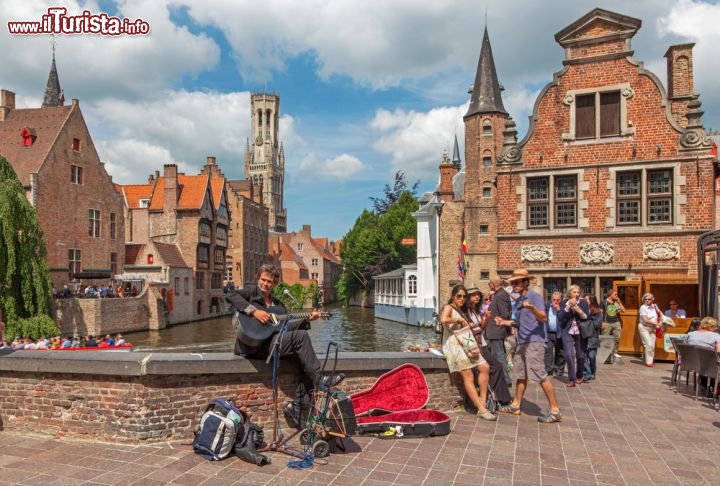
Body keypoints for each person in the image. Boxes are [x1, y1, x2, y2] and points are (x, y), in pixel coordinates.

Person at [225, 263, 344, 429]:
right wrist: (253, 311)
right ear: (258, 279)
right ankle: (319, 381)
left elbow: (286, 328)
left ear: (275, 283)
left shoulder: (279, 306)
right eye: (263, 280)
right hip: (254, 347)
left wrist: (307, 319)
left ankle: (297, 408)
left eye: (269, 282)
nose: (265, 284)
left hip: (273, 344)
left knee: (305, 362)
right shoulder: (250, 293)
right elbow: (230, 295)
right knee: (302, 337)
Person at [495, 268, 561, 423]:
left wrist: (532, 308)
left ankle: (555, 410)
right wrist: (503, 322)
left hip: (535, 342)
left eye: (517, 282)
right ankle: (516, 405)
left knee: (540, 375)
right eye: (513, 282)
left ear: (526, 282)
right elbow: (519, 322)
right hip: (522, 341)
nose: (515, 285)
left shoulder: (534, 297)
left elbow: (543, 317)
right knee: (520, 374)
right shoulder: (518, 300)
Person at [440, 284, 496, 421]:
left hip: (466, 341)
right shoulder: (449, 307)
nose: (462, 298)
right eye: (459, 296)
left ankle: (482, 400)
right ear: (453, 296)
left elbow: (476, 326)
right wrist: (458, 319)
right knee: (468, 374)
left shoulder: (462, 310)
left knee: (485, 367)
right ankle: (482, 410)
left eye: (464, 296)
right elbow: (444, 320)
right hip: (453, 343)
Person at [465, 285, 512, 409]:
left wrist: (485, 319)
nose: (477, 297)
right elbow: (468, 329)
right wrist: (479, 323)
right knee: (495, 366)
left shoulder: (476, 311)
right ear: (468, 297)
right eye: (473, 295)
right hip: (473, 345)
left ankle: (502, 398)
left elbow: (482, 328)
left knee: (497, 366)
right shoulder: (465, 312)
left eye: (478, 294)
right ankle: (501, 399)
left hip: (482, 343)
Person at [557, 285, 590, 387]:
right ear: (569, 293)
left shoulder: (583, 303)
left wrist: (580, 312)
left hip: (580, 331)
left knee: (580, 356)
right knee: (569, 355)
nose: (576, 294)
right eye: (574, 292)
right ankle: (572, 379)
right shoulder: (563, 303)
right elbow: (560, 317)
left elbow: (587, 317)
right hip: (567, 331)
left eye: (578, 292)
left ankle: (579, 375)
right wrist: (567, 307)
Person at [485, 277, 513, 387]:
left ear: (493, 284)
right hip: (494, 331)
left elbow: (505, 314)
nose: (488, 285)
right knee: (495, 356)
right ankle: (499, 379)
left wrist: (500, 322)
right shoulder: (498, 294)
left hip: (497, 331)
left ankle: (506, 380)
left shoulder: (501, 295)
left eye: (489, 283)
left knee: (500, 356)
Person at [544, 291, 565, 377]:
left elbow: (564, 318)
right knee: (548, 351)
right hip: (549, 332)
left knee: (560, 351)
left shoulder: (564, 306)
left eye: (558, 300)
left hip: (560, 332)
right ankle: (549, 369)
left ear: (561, 300)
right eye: (554, 299)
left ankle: (559, 369)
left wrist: (558, 309)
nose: (555, 301)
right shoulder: (547, 305)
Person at [582, 294, 603, 382]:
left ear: (592, 300)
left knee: (591, 356)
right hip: (583, 336)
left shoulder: (598, 312)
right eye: (584, 299)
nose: (586, 301)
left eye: (587, 299)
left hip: (593, 336)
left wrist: (588, 316)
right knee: (583, 356)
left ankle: (592, 371)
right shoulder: (582, 310)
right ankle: (587, 373)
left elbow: (596, 324)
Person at [601, 289, 625, 363]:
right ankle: (605, 353)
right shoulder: (604, 302)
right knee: (605, 338)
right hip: (607, 322)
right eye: (615, 294)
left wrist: (619, 302)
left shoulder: (616, 302)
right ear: (610, 294)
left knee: (617, 337)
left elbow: (623, 310)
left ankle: (614, 352)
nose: (616, 296)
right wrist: (601, 322)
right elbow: (601, 313)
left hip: (616, 322)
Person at [638, 293, 661, 367]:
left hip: (653, 328)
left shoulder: (655, 306)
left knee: (652, 345)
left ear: (652, 299)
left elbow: (660, 314)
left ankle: (649, 361)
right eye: (645, 299)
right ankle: (648, 362)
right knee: (649, 344)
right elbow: (645, 319)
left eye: (649, 299)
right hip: (644, 327)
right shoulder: (643, 308)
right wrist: (656, 323)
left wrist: (660, 322)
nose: (647, 300)